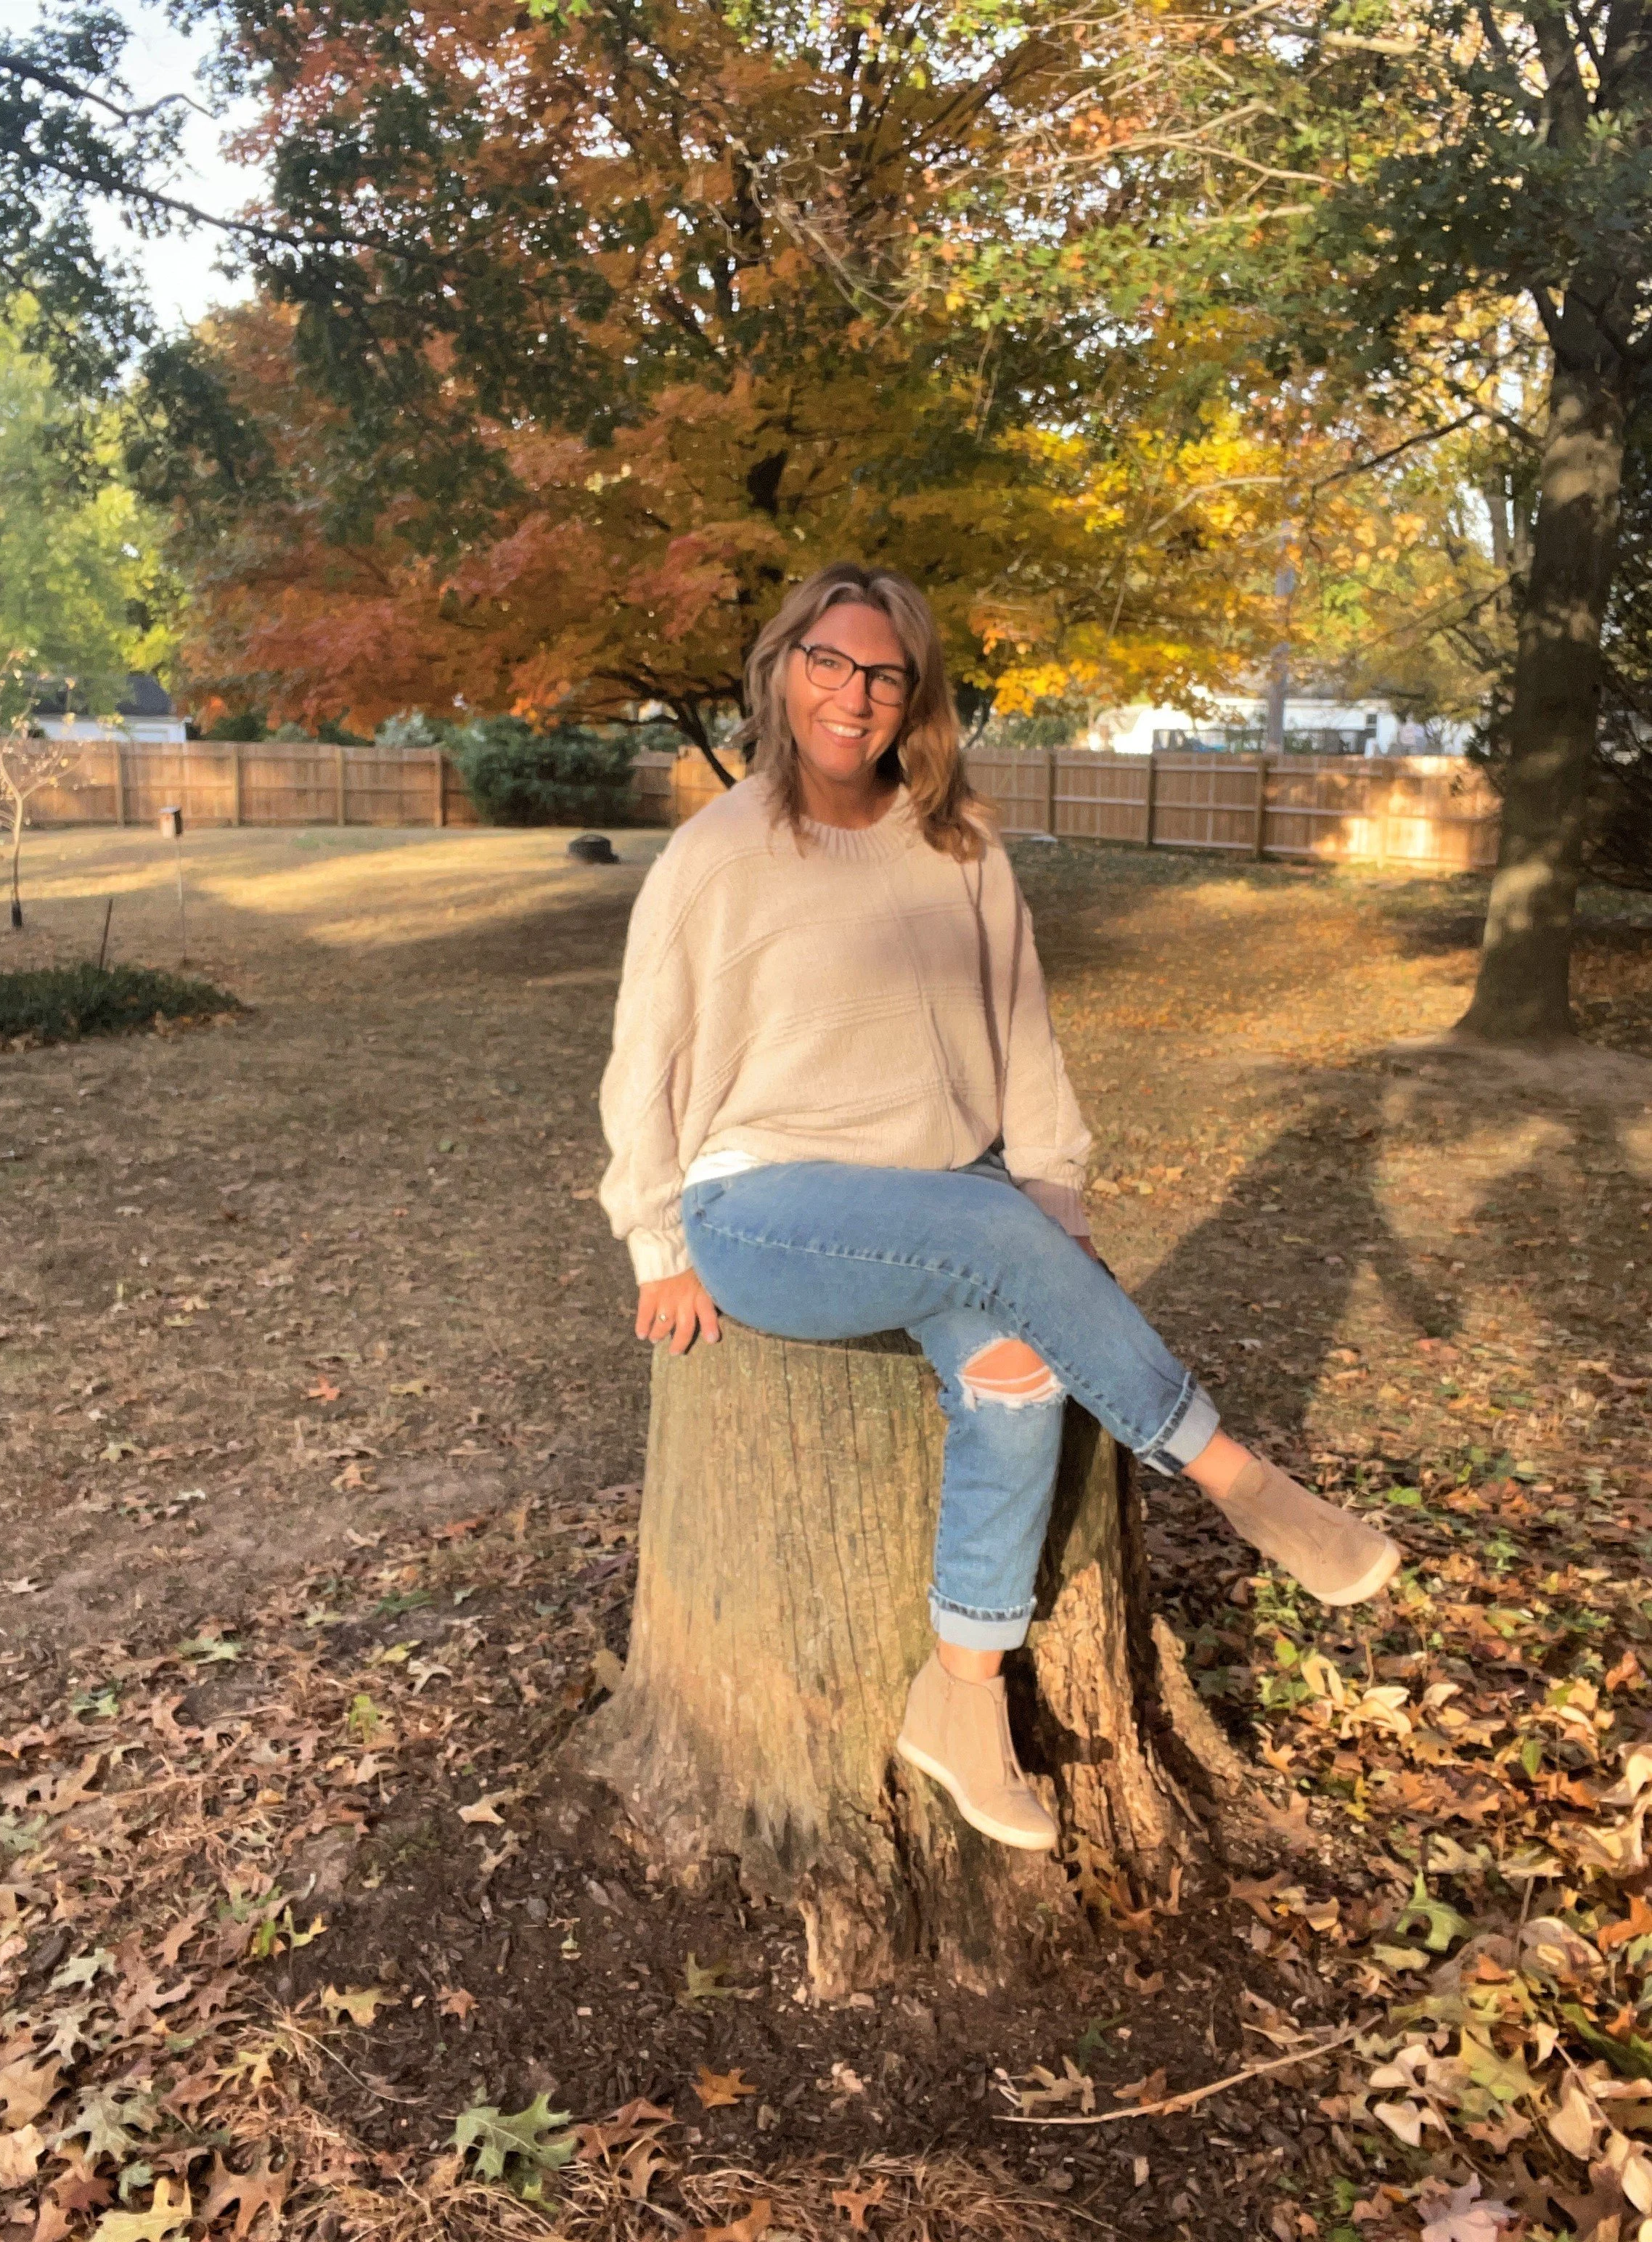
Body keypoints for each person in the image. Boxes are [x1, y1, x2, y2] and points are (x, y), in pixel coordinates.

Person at [599, 563, 1402, 1854]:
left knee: (1021, 1374)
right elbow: (643, 1060)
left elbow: (1021, 1035)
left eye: (883, 673)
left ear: (912, 698)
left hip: (953, 1194)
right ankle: (1238, 1480)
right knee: (989, 1234)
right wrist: (654, 1238)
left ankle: (960, 1700)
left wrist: (1054, 1190)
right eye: (828, 663)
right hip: (762, 1210)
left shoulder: (958, 850)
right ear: (782, 671)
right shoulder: (714, 855)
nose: (851, 695)